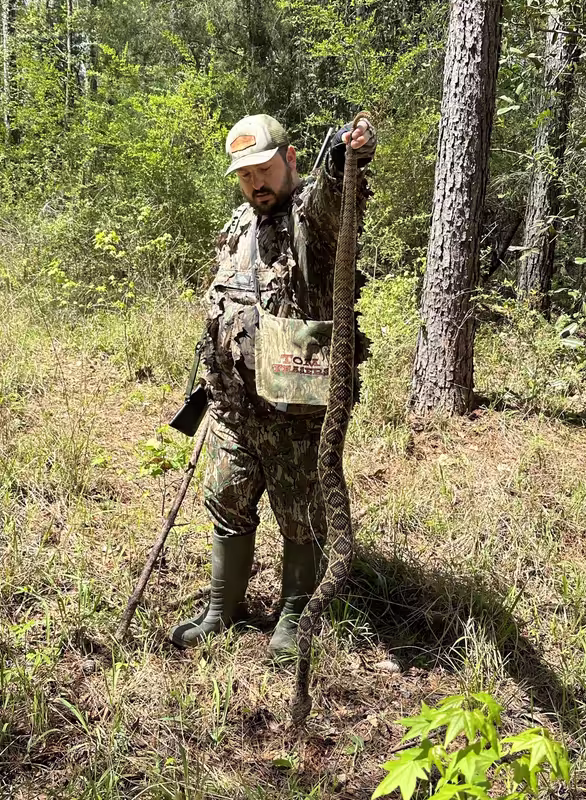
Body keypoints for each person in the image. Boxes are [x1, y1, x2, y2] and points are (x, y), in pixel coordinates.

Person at [169, 113, 376, 658]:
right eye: (245, 175)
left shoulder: (311, 219)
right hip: (234, 409)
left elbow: (334, 197)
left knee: (301, 514)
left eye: (264, 169)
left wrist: (345, 157)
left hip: (296, 412)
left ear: (290, 160)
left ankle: (294, 615)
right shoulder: (239, 223)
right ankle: (222, 610)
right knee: (226, 500)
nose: (256, 183)